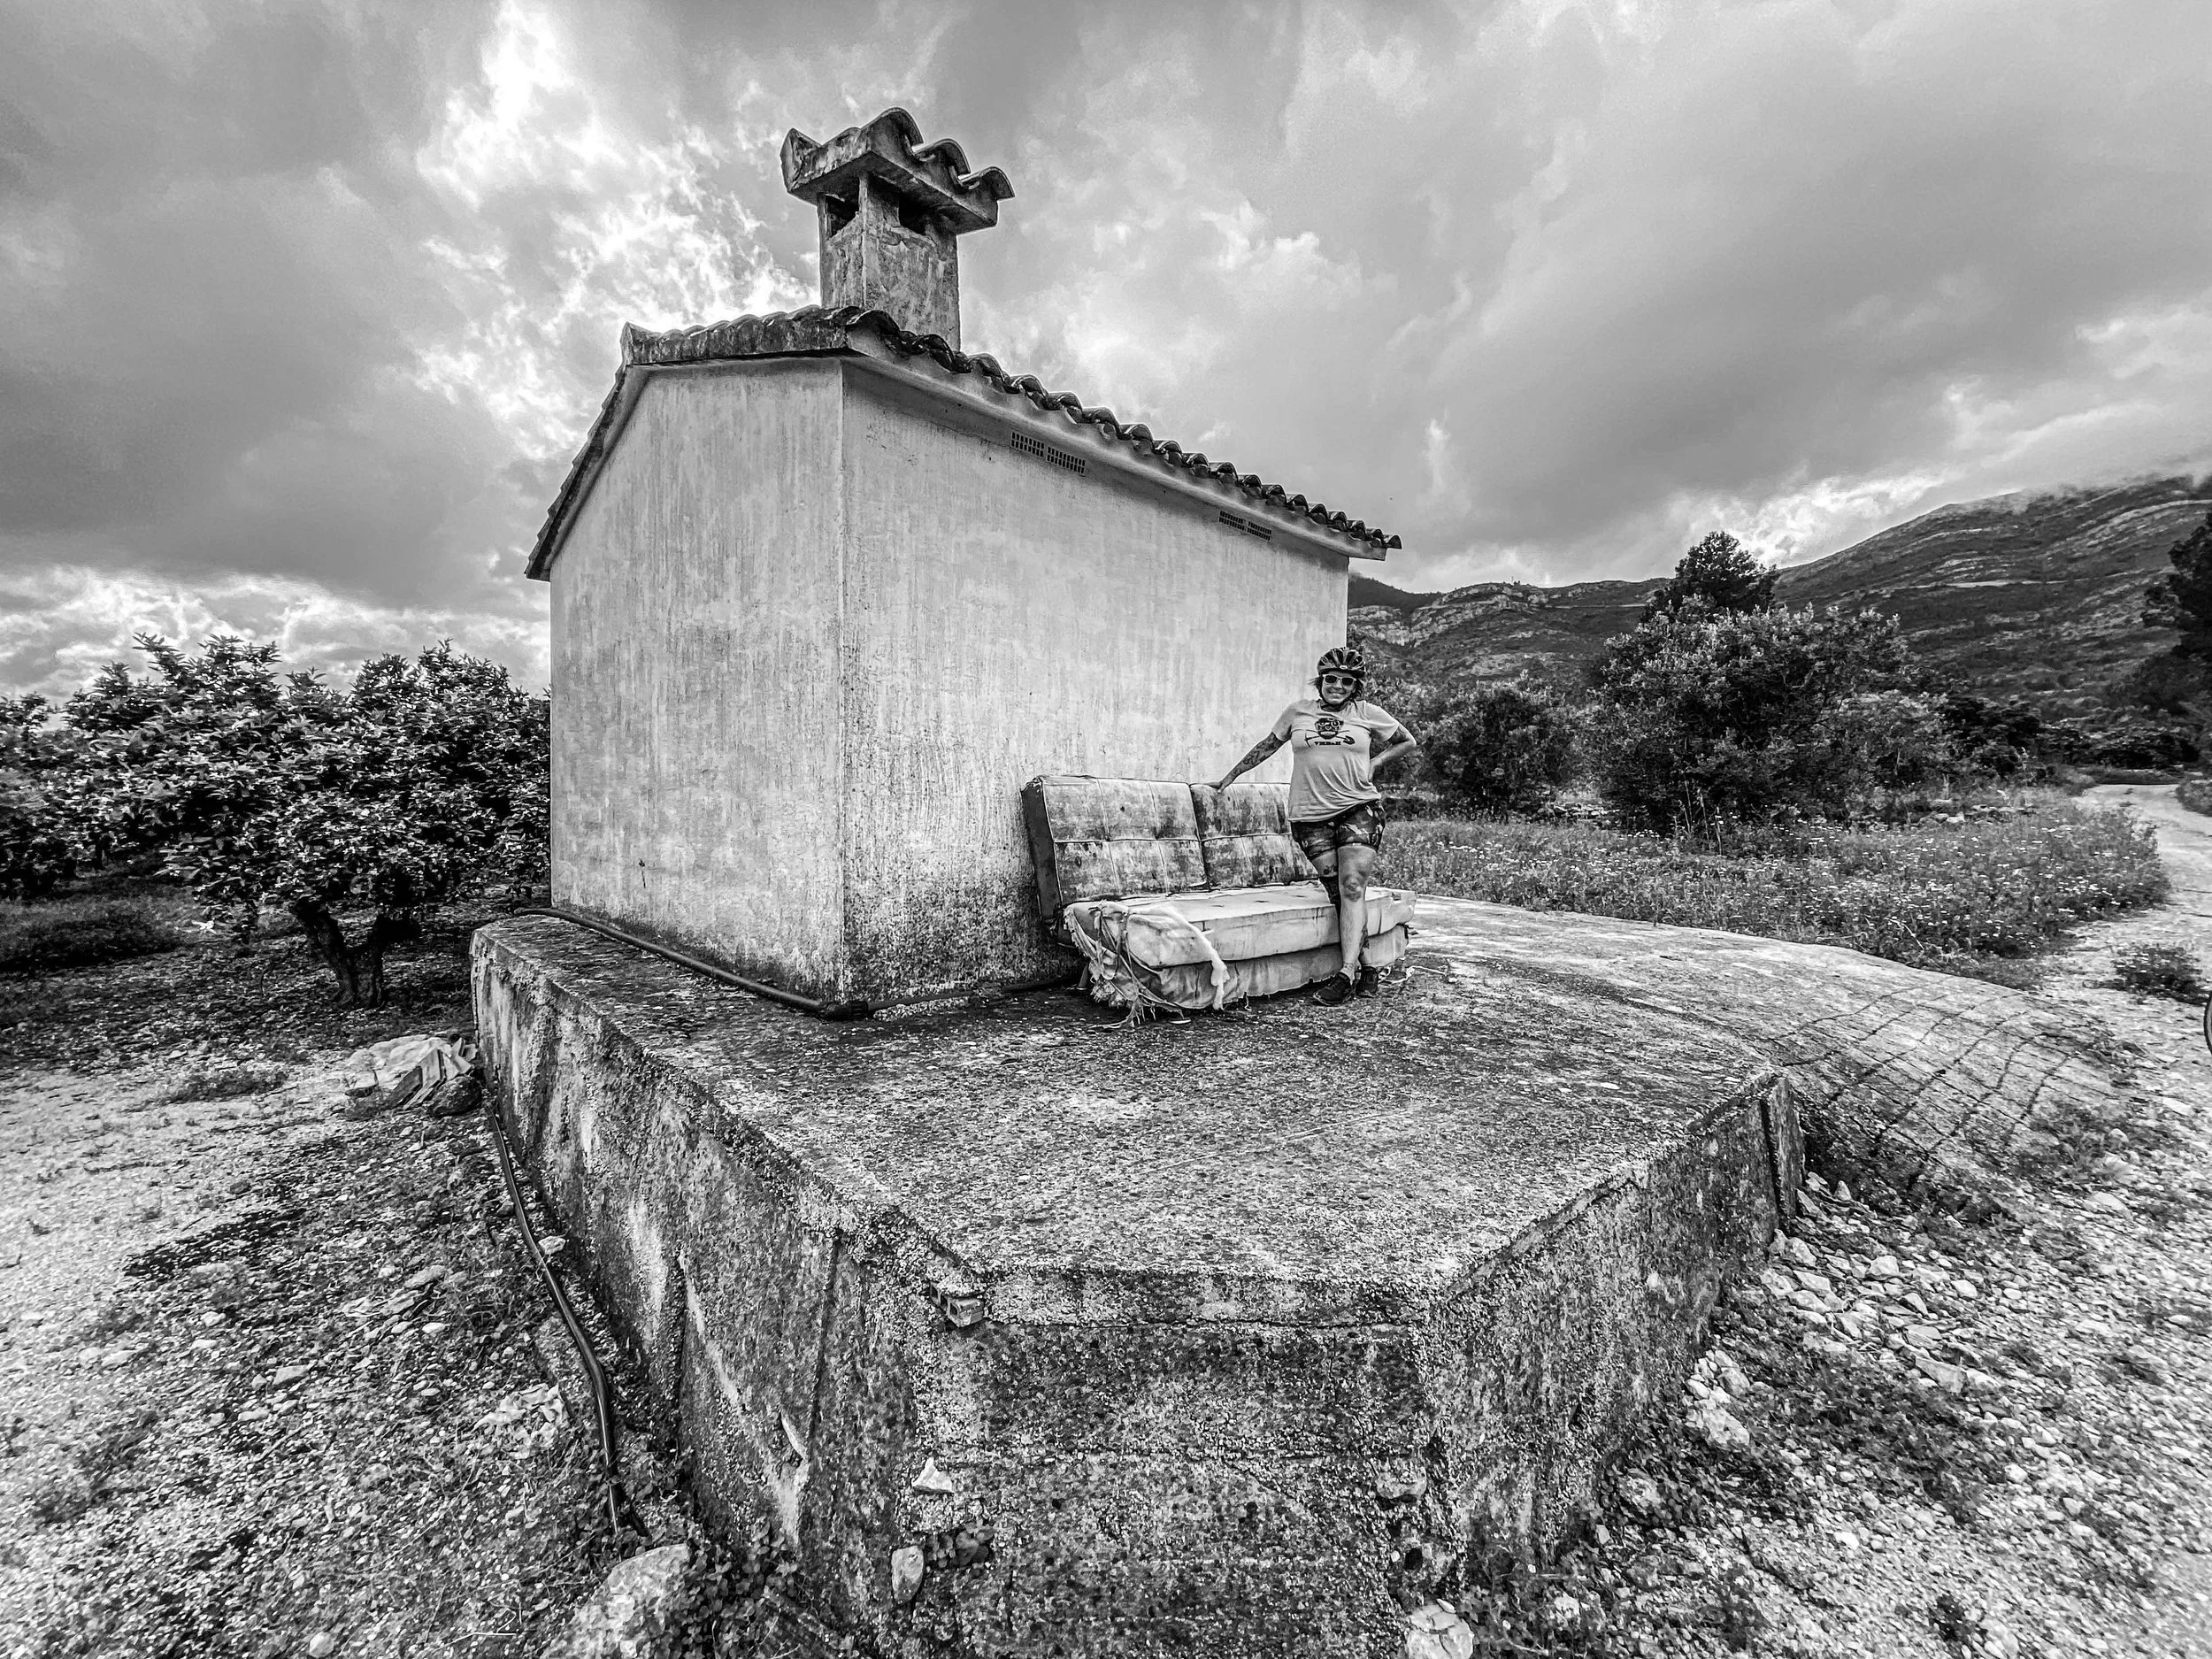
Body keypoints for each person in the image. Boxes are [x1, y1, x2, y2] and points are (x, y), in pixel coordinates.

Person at [1210, 646, 1417, 1005]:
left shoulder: (1368, 714)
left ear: (1355, 687)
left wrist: (1375, 764)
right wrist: (1229, 777)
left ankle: (1347, 972)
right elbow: (1267, 746)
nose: (1337, 686)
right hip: (1309, 816)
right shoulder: (1297, 711)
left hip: (1359, 807)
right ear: (1321, 681)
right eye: (1332, 679)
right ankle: (1368, 967)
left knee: (1352, 885)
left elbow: (1407, 740)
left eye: (1346, 682)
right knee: (1340, 893)